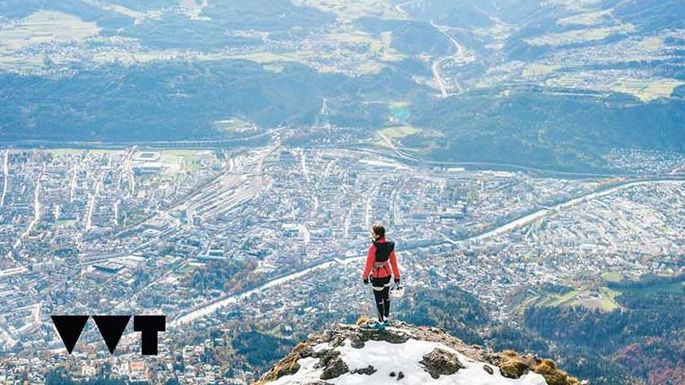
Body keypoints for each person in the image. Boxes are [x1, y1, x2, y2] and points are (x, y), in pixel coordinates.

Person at [362, 223, 400, 330]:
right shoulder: (390, 246)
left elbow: (369, 263)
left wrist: (365, 277)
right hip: (387, 274)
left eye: (373, 232)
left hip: (377, 276)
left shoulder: (373, 248)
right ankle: (386, 319)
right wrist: (397, 276)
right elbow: (393, 262)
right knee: (386, 297)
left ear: (377, 235)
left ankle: (380, 322)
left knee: (378, 299)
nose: (371, 234)